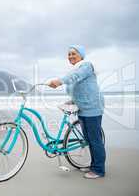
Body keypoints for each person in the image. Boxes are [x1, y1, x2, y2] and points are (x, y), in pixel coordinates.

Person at [48, 45, 106, 179]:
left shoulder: (86, 66)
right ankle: (93, 164)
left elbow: (76, 76)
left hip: (93, 108)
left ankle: (99, 170)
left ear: (81, 55)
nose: (71, 56)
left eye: (74, 53)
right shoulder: (74, 69)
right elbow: (78, 90)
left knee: (94, 139)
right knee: (87, 139)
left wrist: (60, 81)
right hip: (82, 108)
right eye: (69, 54)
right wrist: (72, 101)